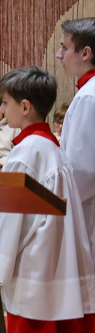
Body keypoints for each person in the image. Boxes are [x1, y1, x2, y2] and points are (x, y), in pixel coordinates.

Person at [0, 66, 95, 333]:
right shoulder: (51, 146)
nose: (1, 109)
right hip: (56, 263)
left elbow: (10, 221)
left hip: (35, 269)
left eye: (5, 103)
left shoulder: (27, 153)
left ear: (25, 106)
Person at [57, 17, 95, 263]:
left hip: (88, 213)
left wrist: (57, 202)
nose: (59, 55)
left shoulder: (88, 97)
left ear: (85, 53)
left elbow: (83, 170)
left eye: (64, 47)